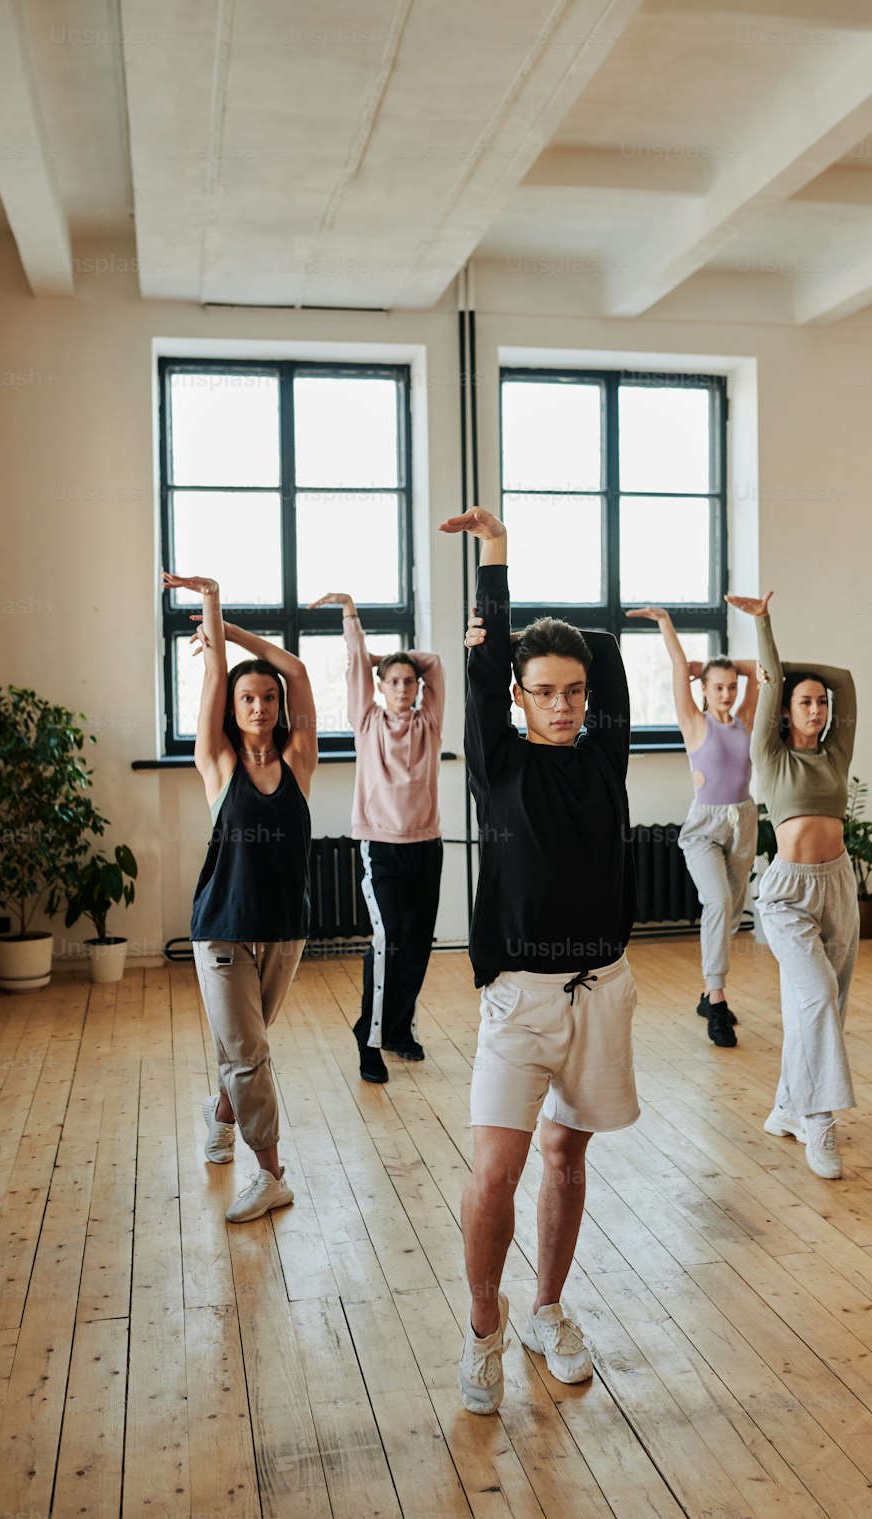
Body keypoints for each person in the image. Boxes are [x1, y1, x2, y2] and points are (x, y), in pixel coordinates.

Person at [439, 506, 639, 1416]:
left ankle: (547, 1310)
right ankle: (485, 1325)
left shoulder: (606, 751)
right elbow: (484, 679)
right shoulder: (498, 762)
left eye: (573, 689)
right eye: (543, 689)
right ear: (519, 696)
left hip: (602, 987)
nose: (562, 704)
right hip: (520, 997)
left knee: (566, 1157)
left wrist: (533, 639)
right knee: (496, 1172)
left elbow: (602, 647)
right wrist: (497, 566)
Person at [165, 571, 317, 1222]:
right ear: (234, 707)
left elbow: (298, 668)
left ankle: (221, 1113)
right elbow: (214, 677)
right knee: (250, 1053)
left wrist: (235, 632)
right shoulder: (218, 765)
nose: (258, 706)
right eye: (247, 698)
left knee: (244, 1049)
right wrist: (212, 606)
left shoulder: (301, 760)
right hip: (222, 928)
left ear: (279, 707)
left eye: (267, 698)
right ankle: (273, 1173)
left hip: (285, 930)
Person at [726, 590, 858, 1180]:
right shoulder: (770, 754)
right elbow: (774, 681)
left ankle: (786, 1106)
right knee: (817, 996)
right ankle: (821, 1120)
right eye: (806, 701)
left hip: (839, 884)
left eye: (821, 703)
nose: (818, 709)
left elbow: (846, 680)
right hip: (786, 893)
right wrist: (767, 629)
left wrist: (814, 680)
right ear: (784, 709)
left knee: (829, 1004)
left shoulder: (835, 753)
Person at [308, 591, 444, 1084]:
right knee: (386, 942)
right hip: (381, 847)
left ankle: (399, 1029)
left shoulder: (430, 722)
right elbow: (354, 666)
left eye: (410, 680)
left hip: (427, 846)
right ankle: (369, 1037)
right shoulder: (366, 721)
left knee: (416, 944)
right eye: (393, 680)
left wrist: (392, 660)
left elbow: (437, 664)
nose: (404, 686)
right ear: (380, 685)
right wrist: (358, 635)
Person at [626, 608, 758, 1047]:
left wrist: (731, 668)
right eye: (717, 686)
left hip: (743, 820)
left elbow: (759, 670)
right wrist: (665, 622)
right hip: (703, 828)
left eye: (731, 686)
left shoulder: (744, 720)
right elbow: (680, 668)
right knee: (718, 903)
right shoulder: (694, 722)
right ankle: (717, 1000)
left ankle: (707, 993)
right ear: (703, 689)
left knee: (733, 913)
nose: (726, 692)